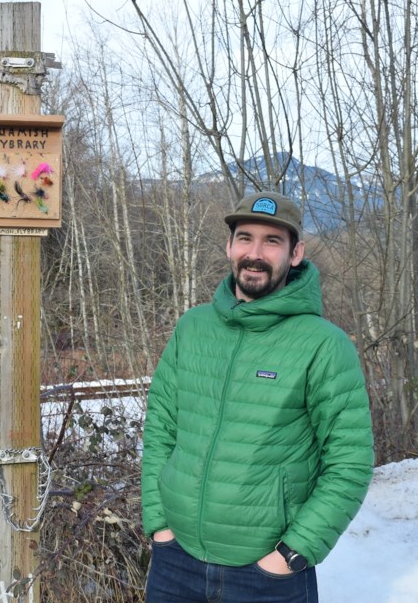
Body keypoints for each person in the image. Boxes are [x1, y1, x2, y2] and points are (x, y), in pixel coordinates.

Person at [141, 191, 374, 603]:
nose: (255, 252)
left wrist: (292, 554)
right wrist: (160, 524)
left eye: (272, 241)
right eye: (245, 238)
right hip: (176, 564)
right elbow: (161, 428)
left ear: (295, 252)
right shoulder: (193, 328)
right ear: (230, 246)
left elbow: (349, 464)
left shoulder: (324, 345)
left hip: (267, 576)